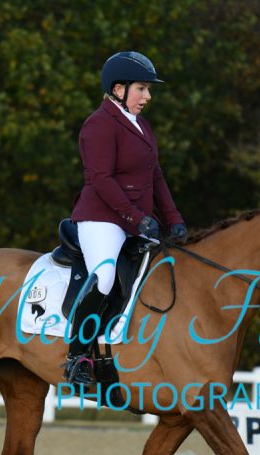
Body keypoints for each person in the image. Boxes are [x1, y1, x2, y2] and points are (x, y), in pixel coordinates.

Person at [63, 51, 188, 388]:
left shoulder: (142, 126)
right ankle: (77, 356)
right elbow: (101, 179)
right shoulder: (98, 124)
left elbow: (156, 177)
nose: (148, 97)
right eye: (142, 89)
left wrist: (174, 218)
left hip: (135, 220)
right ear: (119, 89)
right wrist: (136, 216)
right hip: (102, 218)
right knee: (104, 277)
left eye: (148, 90)